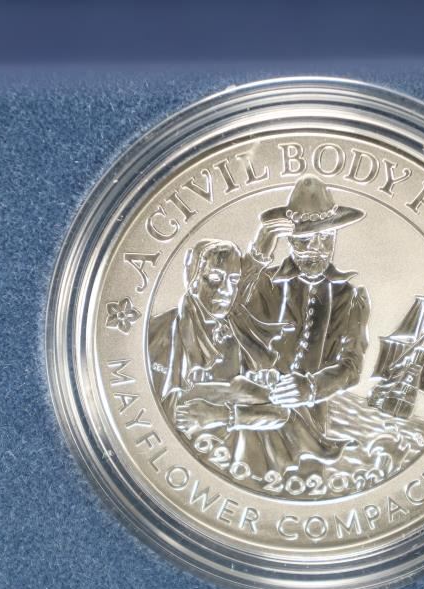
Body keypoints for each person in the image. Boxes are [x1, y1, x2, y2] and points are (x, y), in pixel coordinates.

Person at [235, 174, 371, 473]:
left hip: (311, 427)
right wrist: (258, 253)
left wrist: (311, 388)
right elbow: (225, 310)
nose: (317, 248)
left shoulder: (350, 296)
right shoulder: (263, 282)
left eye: (326, 238)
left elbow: (351, 366)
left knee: (305, 480)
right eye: (306, 238)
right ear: (289, 240)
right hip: (251, 417)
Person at [148, 238, 291, 477]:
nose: (226, 291)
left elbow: (280, 411)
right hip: (170, 461)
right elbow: (161, 408)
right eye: (215, 278)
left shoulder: (238, 336)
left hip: (231, 463)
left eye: (233, 281)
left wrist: (220, 414)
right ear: (193, 279)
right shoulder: (160, 332)